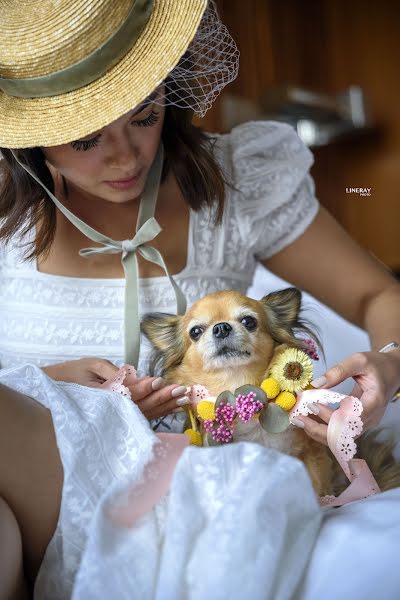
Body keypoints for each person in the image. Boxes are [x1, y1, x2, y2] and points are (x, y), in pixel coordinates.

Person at [0, 0, 400, 598]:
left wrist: (390, 361)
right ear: (26, 138)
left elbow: (378, 292)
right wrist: (44, 382)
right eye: (84, 140)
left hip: (192, 472)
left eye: (143, 115)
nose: (126, 156)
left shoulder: (240, 177)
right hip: (29, 482)